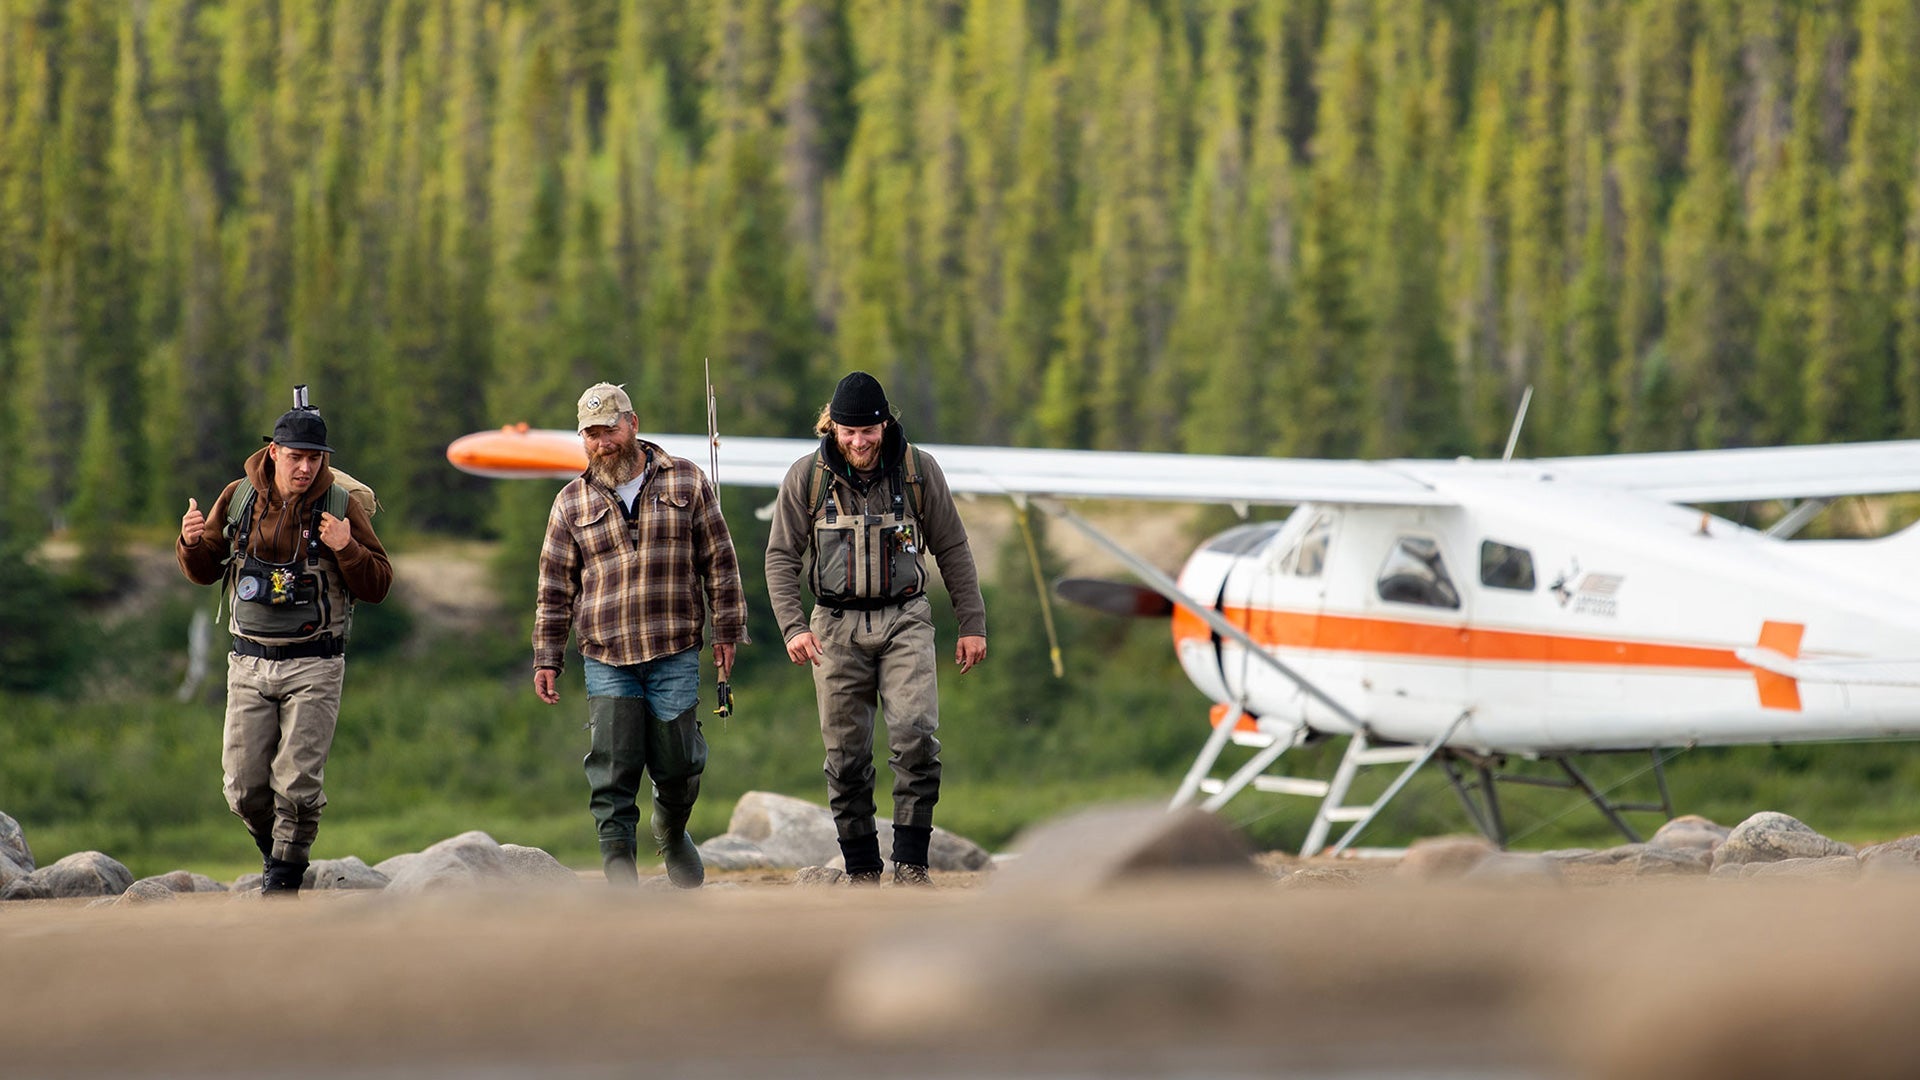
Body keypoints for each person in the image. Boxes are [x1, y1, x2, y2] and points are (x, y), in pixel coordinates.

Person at [765, 371, 987, 887]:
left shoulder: (918, 471)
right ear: (832, 427)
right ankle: (863, 872)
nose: (859, 442)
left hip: (905, 617)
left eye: (868, 431)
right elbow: (780, 557)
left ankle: (911, 866)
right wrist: (793, 627)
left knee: (914, 735)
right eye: (848, 432)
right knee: (845, 755)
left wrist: (971, 623)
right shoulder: (807, 477)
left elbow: (953, 548)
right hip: (833, 626)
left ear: (885, 425)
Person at [533, 382, 750, 888]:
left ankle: (671, 832)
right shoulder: (569, 502)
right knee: (612, 766)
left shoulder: (689, 481)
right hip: (605, 655)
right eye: (589, 434)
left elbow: (719, 561)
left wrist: (727, 629)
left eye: (608, 430)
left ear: (633, 424)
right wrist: (547, 657)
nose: (600, 442)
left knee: (677, 763)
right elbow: (552, 587)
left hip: (675, 646)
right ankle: (619, 876)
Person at [177, 388, 392, 897]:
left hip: (316, 663)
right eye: (296, 457)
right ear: (273, 451)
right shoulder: (238, 498)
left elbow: (379, 584)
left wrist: (347, 547)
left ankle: (284, 881)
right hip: (247, 662)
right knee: (242, 787)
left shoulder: (340, 506)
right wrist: (189, 543)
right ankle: (279, 856)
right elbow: (206, 571)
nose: (305, 468)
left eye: (315, 459)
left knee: (296, 785)